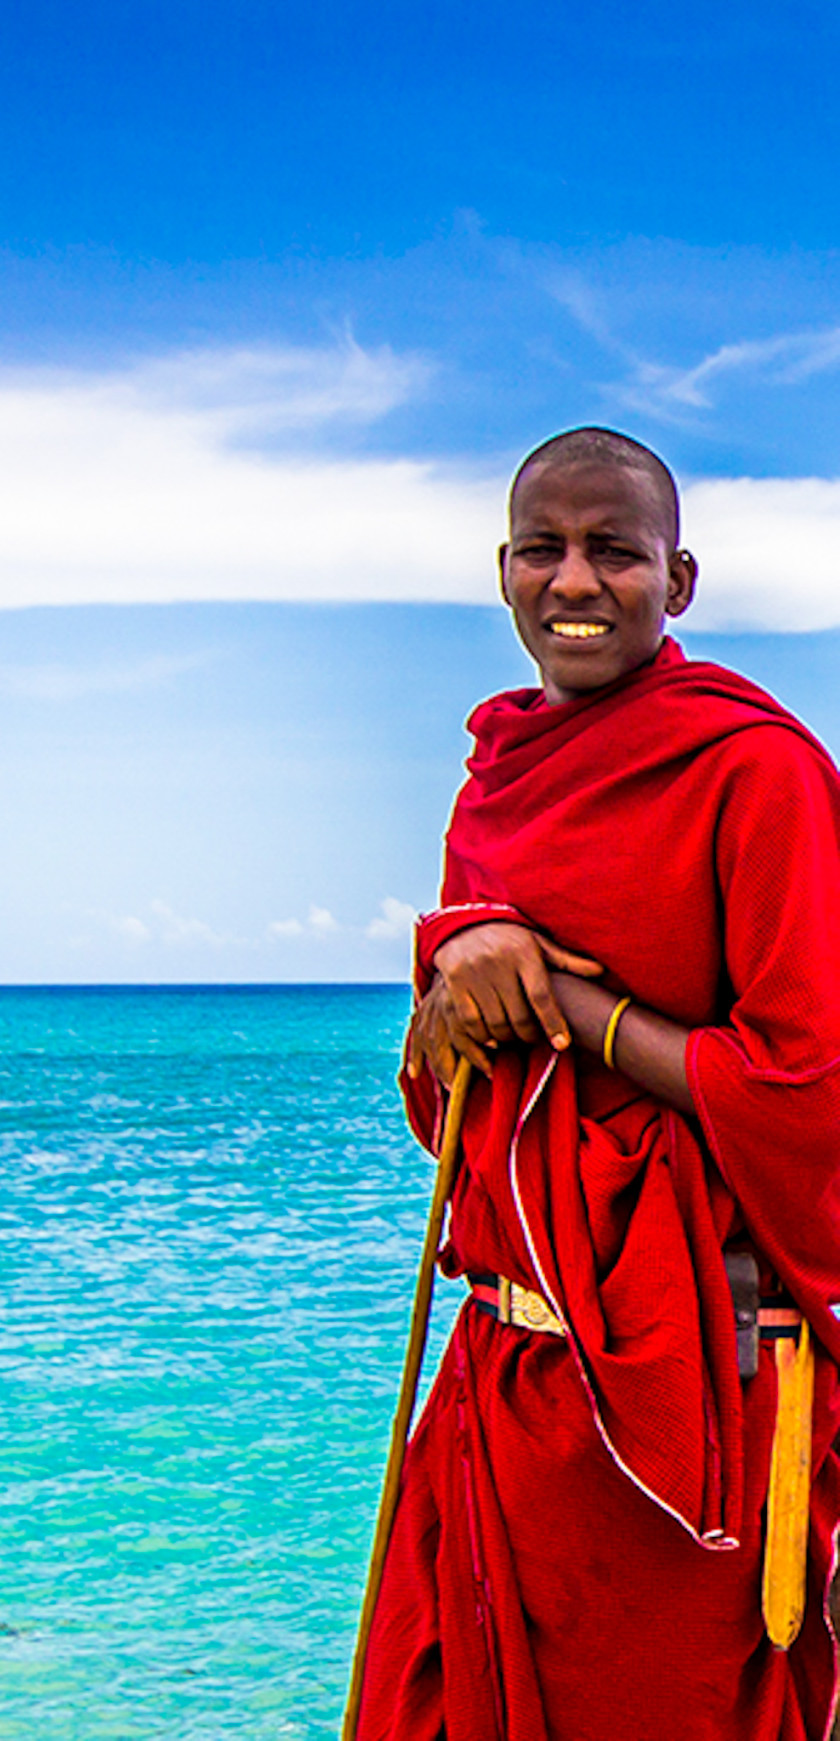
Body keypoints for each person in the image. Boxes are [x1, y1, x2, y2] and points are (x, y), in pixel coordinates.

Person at [355, 428, 840, 1740]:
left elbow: (807, 1094)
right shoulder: (498, 774)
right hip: (506, 1371)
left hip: (693, 1384)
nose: (575, 580)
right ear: (502, 572)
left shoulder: (759, 772)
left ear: (677, 580)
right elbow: (454, 1094)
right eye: (542, 549)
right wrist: (452, 949)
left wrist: (569, 999)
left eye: (613, 550)